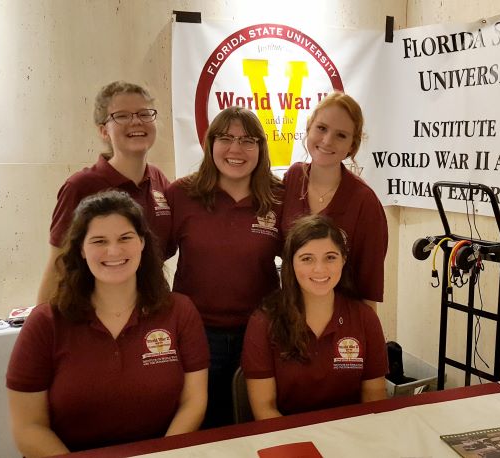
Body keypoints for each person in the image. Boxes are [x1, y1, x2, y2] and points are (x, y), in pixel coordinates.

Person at [7, 190, 208, 456]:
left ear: (142, 243)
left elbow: (193, 402)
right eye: (99, 241)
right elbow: (29, 428)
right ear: (81, 249)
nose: (113, 251)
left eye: (125, 238)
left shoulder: (180, 311)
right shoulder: (45, 323)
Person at [166, 107, 283, 428]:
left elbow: (303, 261)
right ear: (210, 143)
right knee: (203, 422)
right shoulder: (181, 194)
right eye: (226, 138)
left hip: (261, 332)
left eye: (247, 140)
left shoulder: (278, 197)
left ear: (261, 147)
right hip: (197, 333)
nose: (236, 149)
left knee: (252, 420)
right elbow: (147, 260)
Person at [37, 81, 172, 305]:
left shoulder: (160, 181)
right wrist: (41, 327)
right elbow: (58, 264)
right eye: (122, 116)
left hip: (150, 312)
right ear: (103, 131)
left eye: (145, 113)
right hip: (93, 317)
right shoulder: (81, 186)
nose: (136, 121)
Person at [242, 214, 388, 419]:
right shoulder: (263, 322)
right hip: (288, 438)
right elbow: (264, 410)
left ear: (343, 260)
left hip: (350, 437)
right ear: (290, 263)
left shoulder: (365, 318)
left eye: (330, 257)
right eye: (307, 258)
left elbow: (374, 399)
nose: (320, 269)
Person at [281, 92, 388, 310]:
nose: (327, 140)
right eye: (321, 128)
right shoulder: (292, 178)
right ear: (309, 128)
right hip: (291, 315)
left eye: (341, 135)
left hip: (341, 324)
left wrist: (367, 339)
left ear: (352, 145)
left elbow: (369, 285)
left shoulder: (364, 202)